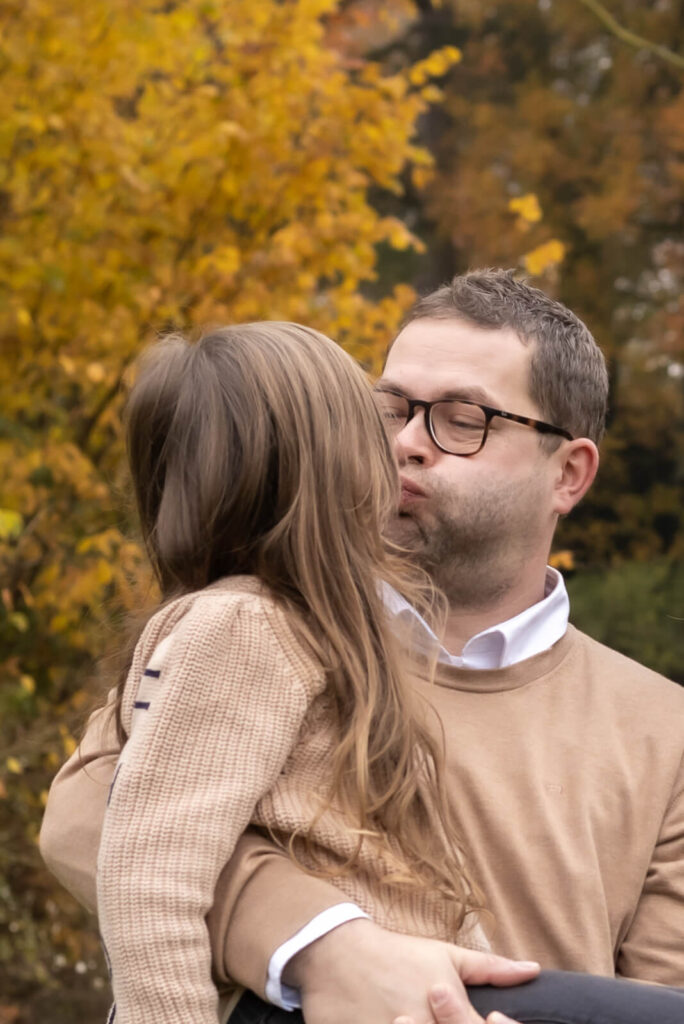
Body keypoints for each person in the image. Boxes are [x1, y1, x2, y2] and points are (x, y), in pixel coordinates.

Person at [40, 273, 684, 1023]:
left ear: (568, 474)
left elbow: (657, 1003)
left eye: (461, 419)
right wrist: (320, 946)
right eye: (391, 409)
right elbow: (92, 814)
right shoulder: (277, 629)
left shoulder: (665, 729)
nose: (408, 443)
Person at [72, 320, 534, 1024]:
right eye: (374, 430)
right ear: (327, 468)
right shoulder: (242, 629)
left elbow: (407, 869)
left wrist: (480, 968)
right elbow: (148, 873)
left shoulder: (316, 633)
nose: (400, 452)